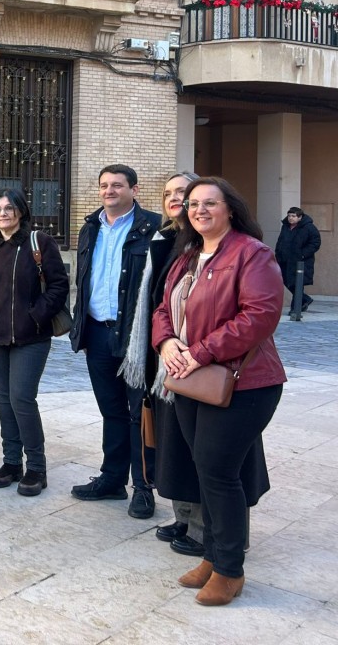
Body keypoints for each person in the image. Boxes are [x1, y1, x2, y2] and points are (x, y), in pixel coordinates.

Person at [152, 176, 285, 606]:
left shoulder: (252, 253)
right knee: (204, 469)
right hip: (193, 379)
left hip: (244, 383)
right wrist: (167, 342)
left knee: (219, 471)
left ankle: (229, 570)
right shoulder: (188, 255)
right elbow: (162, 307)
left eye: (210, 203)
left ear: (231, 209)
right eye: (193, 204)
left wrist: (200, 352)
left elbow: (260, 315)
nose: (199, 210)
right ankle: (213, 555)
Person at [69, 164, 161, 518]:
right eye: (104, 185)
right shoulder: (90, 227)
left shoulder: (152, 228)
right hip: (96, 331)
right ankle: (112, 479)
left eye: (117, 186)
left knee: (138, 414)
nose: (109, 191)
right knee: (111, 411)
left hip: (135, 336)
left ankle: (144, 487)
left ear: (134, 190)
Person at [0, 188, 69, 496]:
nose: (2, 213)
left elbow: (59, 285)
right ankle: (11, 462)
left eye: (9, 208)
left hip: (31, 337)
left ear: (21, 212)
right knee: (4, 398)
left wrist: (35, 315)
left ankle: (36, 467)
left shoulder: (40, 243)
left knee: (22, 398)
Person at [129, 173, 207, 557]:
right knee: (171, 440)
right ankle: (183, 514)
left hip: (198, 359)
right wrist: (161, 343)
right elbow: (159, 301)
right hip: (163, 356)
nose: (175, 198)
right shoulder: (164, 239)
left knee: (198, 446)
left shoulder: (210, 244)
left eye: (183, 192)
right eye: (169, 194)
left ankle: (203, 526)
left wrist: (189, 348)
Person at [275, 206, 321, 313]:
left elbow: (315, 243)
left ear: (300, 217)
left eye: (293, 216)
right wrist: (278, 254)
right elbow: (280, 241)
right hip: (285, 260)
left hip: (300, 261)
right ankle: (305, 299)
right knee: (286, 281)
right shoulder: (285, 227)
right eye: (289, 216)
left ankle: (295, 309)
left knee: (297, 283)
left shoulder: (309, 227)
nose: (290, 218)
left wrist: (302, 254)